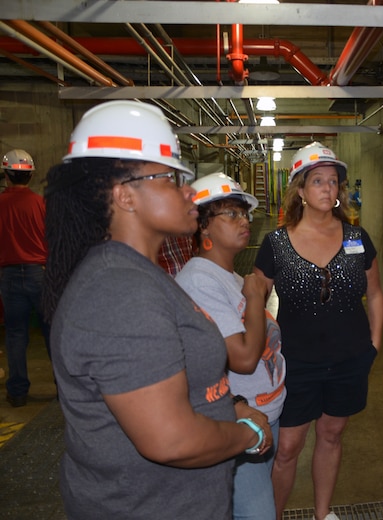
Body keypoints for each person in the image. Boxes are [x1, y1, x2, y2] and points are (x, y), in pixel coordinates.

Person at [42, 100, 272, 520]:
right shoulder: (120, 293)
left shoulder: (140, 275)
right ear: (125, 195)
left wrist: (228, 404)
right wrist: (246, 433)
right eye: (170, 177)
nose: (188, 190)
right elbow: (171, 441)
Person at [253, 141, 383, 520]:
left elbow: (375, 295)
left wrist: (373, 346)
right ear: (300, 190)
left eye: (333, 182)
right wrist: (256, 352)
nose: (327, 189)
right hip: (297, 363)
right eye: (317, 181)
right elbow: (254, 297)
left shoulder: (357, 238)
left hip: (349, 359)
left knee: (331, 436)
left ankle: (322, 514)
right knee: (289, 446)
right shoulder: (276, 243)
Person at [176, 172, 286, 520]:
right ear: (203, 226)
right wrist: (255, 298)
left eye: (245, 214)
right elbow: (242, 359)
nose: (245, 222)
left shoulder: (231, 277)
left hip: (265, 417)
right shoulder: (199, 281)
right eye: (232, 214)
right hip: (240, 423)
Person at [0, 149, 51, 407]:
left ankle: (18, 392)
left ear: (6, 176)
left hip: (8, 276)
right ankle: (66, 389)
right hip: (39, 274)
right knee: (51, 331)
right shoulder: (40, 204)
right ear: (29, 176)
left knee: (16, 334)